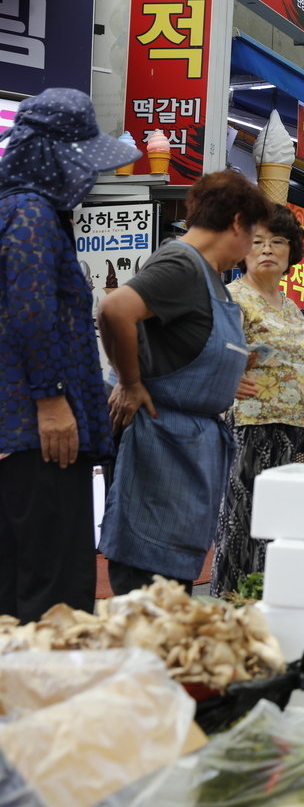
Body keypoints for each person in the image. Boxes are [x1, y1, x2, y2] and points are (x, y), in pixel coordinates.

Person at [0, 89, 141, 619]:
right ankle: (47, 697)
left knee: (18, 587)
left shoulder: (14, 210)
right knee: (53, 593)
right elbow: (30, 311)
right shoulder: (32, 214)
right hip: (39, 435)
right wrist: (51, 400)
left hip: (20, 434)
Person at [98, 171, 273, 595]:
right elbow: (115, 309)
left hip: (187, 446)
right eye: (253, 235)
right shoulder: (182, 264)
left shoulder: (212, 277)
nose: (251, 248)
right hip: (159, 443)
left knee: (171, 587)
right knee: (147, 589)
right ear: (236, 223)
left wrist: (223, 378)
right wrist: (130, 382)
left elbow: (181, 347)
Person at [212, 208, 304, 597]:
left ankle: (268, 601)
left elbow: (296, 366)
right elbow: (213, 354)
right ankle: (230, 607)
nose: (267, 250)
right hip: (249, 423)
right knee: (243, 519)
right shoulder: (232, 298)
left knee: (281, 522)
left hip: (296, 424)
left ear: (293, 251)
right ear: (242, 250)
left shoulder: (291, 307)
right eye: (257, 242)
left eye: (277, 242)